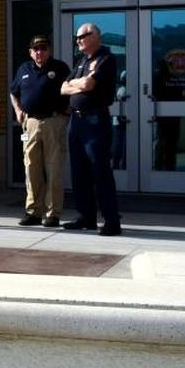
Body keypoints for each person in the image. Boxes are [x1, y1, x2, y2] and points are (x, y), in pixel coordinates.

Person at [61, 22, 121, 235]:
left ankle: (112, 221)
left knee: (100, 171)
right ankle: (86, 216)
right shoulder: (83, 61)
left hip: (95, 121)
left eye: (82, 36)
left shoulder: (106, 59)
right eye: (76, 37)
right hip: (76, 123)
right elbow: (63, 87)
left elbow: (88, 85)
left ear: (95, 35)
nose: (78, 40)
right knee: (79, 171)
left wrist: (78, 84)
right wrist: (80, 82)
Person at [8, 35, 70, 227]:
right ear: (30, 52)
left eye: (43, 48)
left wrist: (65, 116)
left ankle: (52, 214)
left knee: (54, 169)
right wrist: (18, 111)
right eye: (36, 49)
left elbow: (71, 90)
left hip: (53, 121)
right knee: (31, 168)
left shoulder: (60, 68)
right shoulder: (24, 69)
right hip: (31, 122)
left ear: (49, 50)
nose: (39, 52)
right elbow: (13, 91)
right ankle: (33, 211)